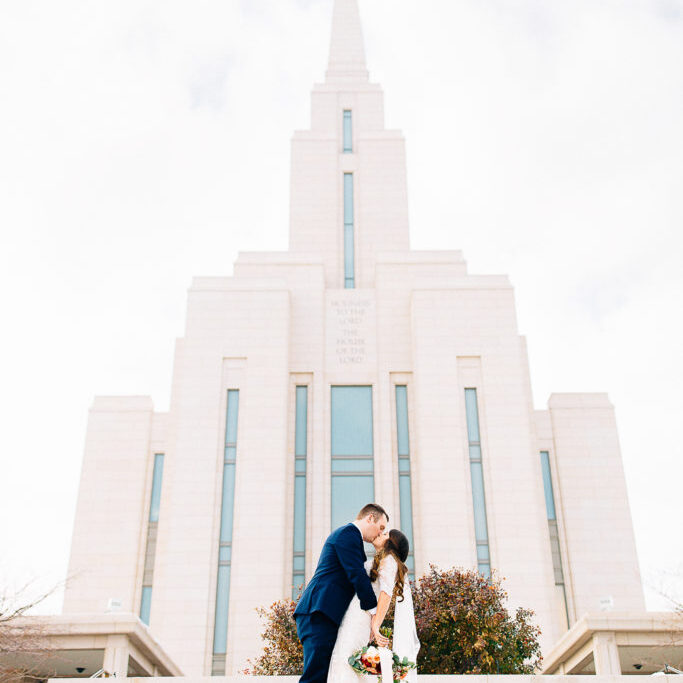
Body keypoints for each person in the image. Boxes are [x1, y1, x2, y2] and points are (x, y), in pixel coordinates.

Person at [294, 504, 389, 683]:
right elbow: (357, 575)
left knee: (322, 676)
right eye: (381, 527)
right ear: (370, 518)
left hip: (324, 614)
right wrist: (375, 614)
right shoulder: (348, 534)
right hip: (317, 612)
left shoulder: (351, 538)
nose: (379, 533)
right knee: (314, 677)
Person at [326, 528, 420, 683]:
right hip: (355, 616)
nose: (379, 534)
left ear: (391, 544)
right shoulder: (382, 560)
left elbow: (386, 594)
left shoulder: (389, 560)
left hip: (359, 619)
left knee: (344, 659)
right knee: (344, 660)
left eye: (385, 534)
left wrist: (376, 625)